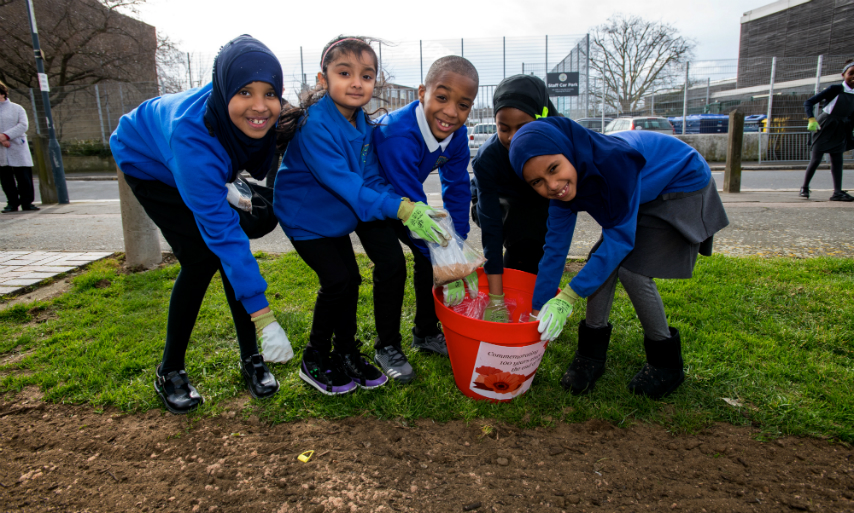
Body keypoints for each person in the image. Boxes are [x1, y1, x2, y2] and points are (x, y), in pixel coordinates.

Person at [110, 35, 292, 414]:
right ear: (227, 89)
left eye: (269, 92)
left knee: (240, 234)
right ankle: (170, 370)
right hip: (149, 162)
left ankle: (250, 360)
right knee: (203, 258)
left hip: (202, 161)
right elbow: (225, 240)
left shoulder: (255, 115)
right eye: (245, 91)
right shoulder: (192, 139)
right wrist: (266, 318)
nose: (260, 106)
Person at [274, 36, 450, 394]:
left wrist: (406, 207)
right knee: (338, 281)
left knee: (349, 281)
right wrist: (399, 208)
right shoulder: (314, 126)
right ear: (323, 80)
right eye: (345, 73)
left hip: (337, 219)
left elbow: (370, 179)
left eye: (366, 76)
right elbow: (349, 186)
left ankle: (347, 353)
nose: (357, 82)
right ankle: (315, 358)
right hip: (305, 219)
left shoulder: (362, 124)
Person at [509, 117, 729, 399]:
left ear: (568, 151)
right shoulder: (565, 184)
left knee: (631, 270)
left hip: (680, 182)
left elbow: (620, 241)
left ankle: (666, 364)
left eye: (554, 169)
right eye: (538, 182)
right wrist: (538, 309)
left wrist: (568, 296)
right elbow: (554, 249)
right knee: (600, 262)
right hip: (643, 189)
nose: (552, 185)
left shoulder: (613, 163)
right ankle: (590, 356)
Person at [371, 56, 480, 381]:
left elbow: (457, 186)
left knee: (430, 258)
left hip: (408, 202)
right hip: (374, 200)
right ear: (422, 93)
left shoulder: (457, 135)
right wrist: (447, 259)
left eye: (463, 104)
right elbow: (409, 198)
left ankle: (425, 332)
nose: (451, 112)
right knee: (393, 264)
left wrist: (456, 244)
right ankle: (386, 345)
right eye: (442, 97)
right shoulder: (397, 133)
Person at [470, 75, 555, 323]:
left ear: (541, 119)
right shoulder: (487, 159)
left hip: (536, 198)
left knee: (541, 241)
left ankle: (534, 295)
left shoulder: (559, 140)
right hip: (500, 199)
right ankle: (511, 283)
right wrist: (496, 298)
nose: (513, 138)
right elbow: (491, 230)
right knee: (521, 237)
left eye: (523, 127)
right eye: (503, 128)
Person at [800, 59, 854, 202]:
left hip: (841, 127)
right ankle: (804, 187)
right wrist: (811, 118)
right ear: (843, 75)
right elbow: (809, 102)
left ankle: (837, 192)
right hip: (825, 124)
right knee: (816, 159)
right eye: (851, 73)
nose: (853, 77)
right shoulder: (835, 89)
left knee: (838, 160)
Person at [0, 81, 39, 213]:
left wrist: (6, 135)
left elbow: (23, 125)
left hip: (17, 146)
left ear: (3, 93)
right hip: (1, 148)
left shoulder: (17, 108)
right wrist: (1, 139)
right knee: (6, 179)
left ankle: (27, 202)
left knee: (24, 177)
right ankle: (12, 203)